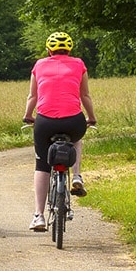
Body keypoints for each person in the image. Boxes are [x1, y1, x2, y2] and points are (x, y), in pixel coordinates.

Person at [21, 31, 97, 232]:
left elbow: (32, 96)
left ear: (48, 50)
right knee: (77, 138)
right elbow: (85, 95)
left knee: (42, 166)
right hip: (73, 120)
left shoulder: (39, 65)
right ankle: (77, 176)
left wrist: (28, 116)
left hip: (45, 122)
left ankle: (38, 216)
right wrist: (91, 117)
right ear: (69, 49)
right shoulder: (79, 64)